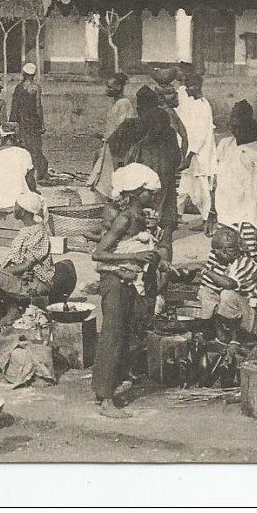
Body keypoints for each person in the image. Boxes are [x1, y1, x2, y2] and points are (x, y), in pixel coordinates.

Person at [91, 164, 162, 418]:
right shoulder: (123, 219)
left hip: (127, 282)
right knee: (112, 334)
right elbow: (98, 253)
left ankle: (107, 388)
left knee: (123, 333)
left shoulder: (139, 217)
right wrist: (138, 256)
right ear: (136, 192)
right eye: (149, 193)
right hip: (113, 282)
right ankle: (106, 400)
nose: (153, 197)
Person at [0, 191, 54, 328]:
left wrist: (2, 272)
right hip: (24, 277)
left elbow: (26, 265)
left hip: (34, 283)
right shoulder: (28, 230)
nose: (13, 208)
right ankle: (7, 309)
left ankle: (12, 310)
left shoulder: (37, 232)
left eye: (16, 205)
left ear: (23, 211)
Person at [205, 100, 257, 258]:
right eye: (233, 126)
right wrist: (211, 212)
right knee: (222, 257)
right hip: (225, 213)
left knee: (248, 260)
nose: (236, 131)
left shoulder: (256, 154)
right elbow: (216, 181)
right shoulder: (225, 145)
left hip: (248, 218)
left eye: (240, 127)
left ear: (248, 126)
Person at [125, 86, 183, 262]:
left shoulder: (139, 137)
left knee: (141, 237)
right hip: (167, 193)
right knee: (165, 238)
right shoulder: (170, 134)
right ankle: (163, 275)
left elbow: (128, 167)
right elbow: (177, 161)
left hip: (145, 195)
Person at [198, 227, 257, 342]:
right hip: (238, 314)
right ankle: (215, 334)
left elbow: (229, 284)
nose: (216, 256)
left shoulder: (246, 263)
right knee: (206, 292)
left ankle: (235, 339)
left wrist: (204, 270)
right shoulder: (225, 263)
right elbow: (209, 288)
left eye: (217, 252)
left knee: (227, 295)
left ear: (226, 251)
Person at [175, 71, 216, 221]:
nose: (186, 89)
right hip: (189, 152)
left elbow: (200, 135)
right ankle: (177, 215)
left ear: (197, 86)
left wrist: (190, 154)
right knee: (184, 186)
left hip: (198, 154)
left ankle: (207, 219)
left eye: (189, 86)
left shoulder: (203, 106)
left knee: (201, 190)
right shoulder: (190, 102)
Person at [87, 73, 135, 201]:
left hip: (116, 148)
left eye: (110, 87)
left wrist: (107, 137)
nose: (107, 90)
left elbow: (122, 127)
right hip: (110, 145)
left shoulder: (124, 103)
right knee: (103, 179)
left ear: (119, 87)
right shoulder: (116, 103)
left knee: (111, 179)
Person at [0, 123, 36, 220]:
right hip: (17, 205)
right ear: (14, 137)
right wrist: (35, 195)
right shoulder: (23, 153)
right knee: (39, 202)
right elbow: (30, 182)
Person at [10, 63, 49, 181]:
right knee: (36, 147)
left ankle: (23, 173)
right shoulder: (35, 88)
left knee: (22, 145)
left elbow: (14, 106)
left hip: (21, 121)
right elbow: (38, 107)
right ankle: (36, 174)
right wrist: (42, 123)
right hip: (33, 121)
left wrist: (13, 122)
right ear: (34, 74)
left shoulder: (18, 87)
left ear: (24, 74)